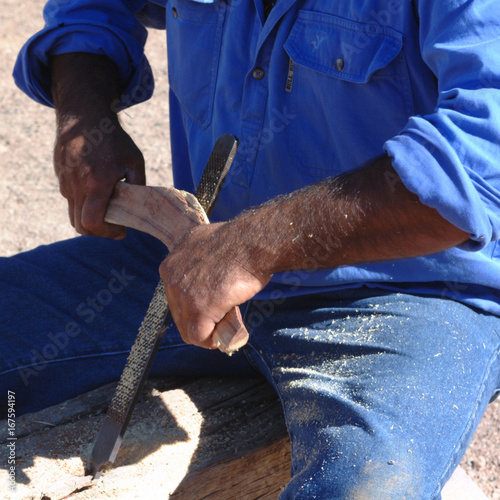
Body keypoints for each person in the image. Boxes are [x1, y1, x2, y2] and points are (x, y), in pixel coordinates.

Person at [3, 0, 500, 497]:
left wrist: (253, 248)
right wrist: (84, 119)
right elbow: (91, 7)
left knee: (366, 485)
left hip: (410, 295)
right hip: (196, 258)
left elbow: (480, 166)